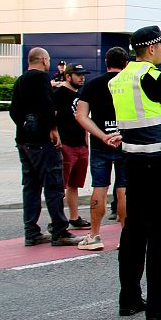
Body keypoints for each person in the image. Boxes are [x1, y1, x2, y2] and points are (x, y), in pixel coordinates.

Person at [109, 25, 161, 320]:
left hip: (132, 160)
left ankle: (129, 297)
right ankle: (159, 303)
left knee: (133, 230)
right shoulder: (154, 76)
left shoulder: (118, 80)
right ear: (152, 48)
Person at [9, 47, 83, 247]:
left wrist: (25, 125)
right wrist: (52, 128)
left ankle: (31, 232)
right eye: (48, 60)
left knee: (31, 186)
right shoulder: (41, 78)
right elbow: (47, 105)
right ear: (43, 60)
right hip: (42, 142)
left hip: (23, 140)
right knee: (53, 184)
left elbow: (13, 110)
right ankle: (59, 230)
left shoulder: (21, 80)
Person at [74, 47, 129, 251]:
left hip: (100, 142)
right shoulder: (130, 85)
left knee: (100, 186)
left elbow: (81, 116)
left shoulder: (93, 84)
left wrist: (102, 135)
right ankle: (126, 235)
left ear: (106, 62)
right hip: (125, 142)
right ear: (126, 64)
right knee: (124, 188)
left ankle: (95, 234)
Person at [53, 63, 92, 230]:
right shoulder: (59, 94)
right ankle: (58, 220)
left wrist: (86, 139)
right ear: (68, 76)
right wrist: (57, 136)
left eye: (83, 74)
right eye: (78, 75)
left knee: (74, 184)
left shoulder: (81, 95)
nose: (82, 77)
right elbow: (52, 117)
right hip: (66, 144)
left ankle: (74, 217)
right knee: (61, 184)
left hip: (80, 144)